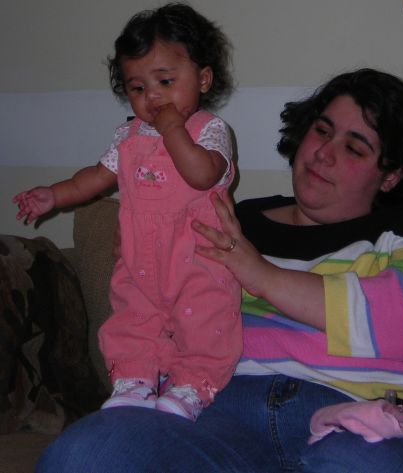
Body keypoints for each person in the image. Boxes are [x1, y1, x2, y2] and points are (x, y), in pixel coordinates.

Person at [36, 68, 403, 472]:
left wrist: (260, 275)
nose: (323, 153)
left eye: (354, 148)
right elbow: (164, 317)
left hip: (370, 423)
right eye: (321, 130)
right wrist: (146, 261)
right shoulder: (227, 217)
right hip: (216, 414)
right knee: (87, 454)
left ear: (391, 175)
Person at [13, 3, 242, 422]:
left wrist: (172, 130)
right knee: (132, 319)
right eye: (137, 88)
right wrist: (54, 196)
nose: (152, 96)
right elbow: (96, 177)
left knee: (202, 321)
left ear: (203, 79)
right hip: (140, 259)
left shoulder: (208, 131)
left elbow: (201, 175)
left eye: (165, 81)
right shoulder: (129, 136)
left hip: (197, 259)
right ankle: (134, 380)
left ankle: (193, 385)